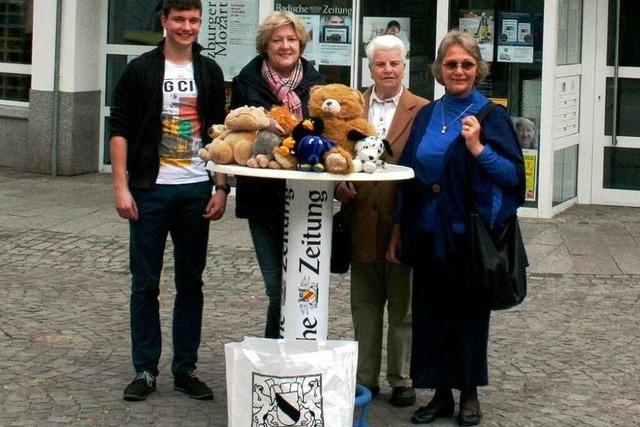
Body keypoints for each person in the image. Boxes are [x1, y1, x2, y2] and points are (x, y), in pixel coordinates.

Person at [387, 30, 524, 425]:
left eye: (466, 64)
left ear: (477, 69)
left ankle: (469, 394)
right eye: (451, 64)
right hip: (427, 233)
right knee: (430, 317)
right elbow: (408, 173)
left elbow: (514, 175)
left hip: (466, 237)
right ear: (439, 70)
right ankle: (439, 394)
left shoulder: (491, 116)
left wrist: (479, 149)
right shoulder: (429, 113)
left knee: (468, 317)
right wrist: (399, 226)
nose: (458, 70)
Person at [109, 0, 227, 402]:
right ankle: (145, 369)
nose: (187, 27)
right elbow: (120, 129)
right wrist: (121, 187)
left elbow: (219, 136)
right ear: (164, 21)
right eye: (179, 19)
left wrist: (221, 186)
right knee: (145, 283)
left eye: (194, 20)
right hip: (150, 190)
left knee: (190, 282)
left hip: (196, 189)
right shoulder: (140, 69)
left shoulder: (208, 71)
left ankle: (185, 369)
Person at [335, 35, 428, 408]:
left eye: (394, 63)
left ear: (404, 65)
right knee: (365, 305)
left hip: (402, 221)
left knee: (404, 307)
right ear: (369, 67)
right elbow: (336, 151)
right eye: (380, 64)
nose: (387, 70)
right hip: (360, 219)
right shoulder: (351, 106)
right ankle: (365, 378)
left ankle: (401, 378)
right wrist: (338, 181)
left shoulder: (421, 109)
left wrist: (408, 223)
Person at [230, 11, 326, 339]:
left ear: (301, 42)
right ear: (266, 45)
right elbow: (236, 135)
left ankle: (295, 349)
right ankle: (275, 353)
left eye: (291, 39)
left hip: (308, 200)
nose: (285, 46)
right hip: (261, 197)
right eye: (277, 40)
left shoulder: (317, 84)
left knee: (302, 282)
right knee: (276, 284)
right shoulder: (247, 81)